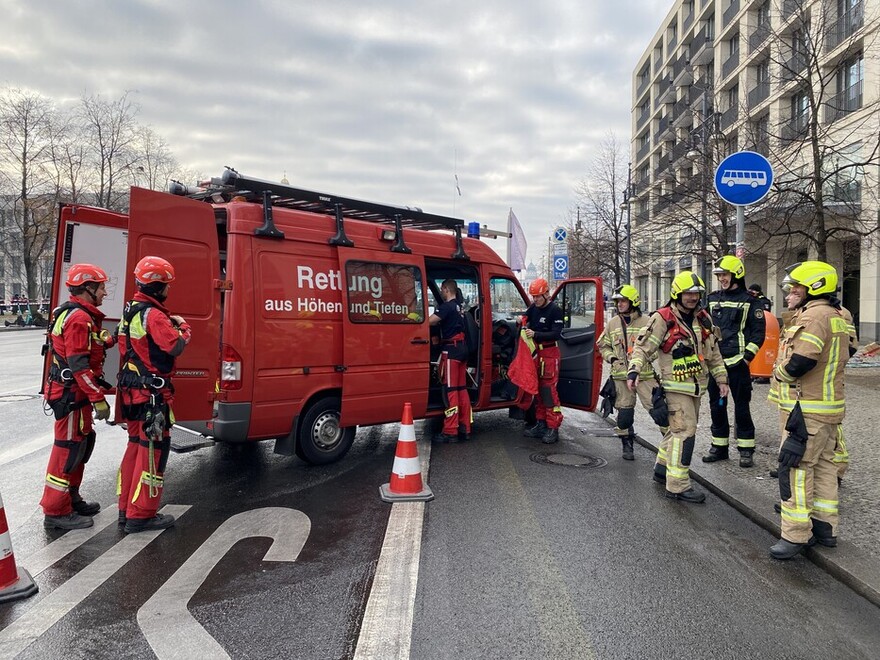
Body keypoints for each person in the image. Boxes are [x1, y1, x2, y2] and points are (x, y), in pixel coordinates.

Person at [768, 261, 857, 559]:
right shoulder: (837, 316)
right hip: (830, 408)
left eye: (797, 288)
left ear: (814, 287)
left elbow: (801, 362)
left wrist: (780, 372)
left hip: (808, 410)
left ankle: (795, 535)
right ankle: (824, 528)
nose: (793, 292)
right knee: (825, 468)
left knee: (795, 469)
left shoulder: (815, 317)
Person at [627, 271, 728, 503]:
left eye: (696, 294)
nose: (693, 298)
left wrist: (722, 379)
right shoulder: (662, 318)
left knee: (674, 432)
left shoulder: (703, 319)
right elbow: (643, 349)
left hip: (696, 388)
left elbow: (714, 354)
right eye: (688, 294)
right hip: (675, 388)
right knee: (685, 433)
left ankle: (662, 469)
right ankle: (678, 486)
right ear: (677, 294)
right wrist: (634, 371)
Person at [116, 256, 191, 533]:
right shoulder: (155, 315)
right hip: (151, 395)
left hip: (132, 392)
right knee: (153, 453)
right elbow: (174, 346)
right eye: (166, 285)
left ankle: (126, 509)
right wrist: (183, 328)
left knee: (136, 448)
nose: (169, 290)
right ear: (158, 286)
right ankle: (142, 514)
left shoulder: (131, 311)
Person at [41, 263, 114, 530]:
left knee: (81, 445)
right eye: (101, 286)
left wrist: (108, 340)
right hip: (72, 396)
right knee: (67, 449)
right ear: (87, 288)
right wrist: (98, 399)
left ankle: (70, 498)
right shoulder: (78, 319)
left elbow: (87, 347)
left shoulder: (79, 315)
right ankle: (56, 511)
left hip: (75, 395)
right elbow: (78, 366)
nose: (105, 291)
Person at [702, 256, 766, 467]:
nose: (722, 279)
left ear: (736, 274)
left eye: (725, 274)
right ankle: (719, 447)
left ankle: (746, 450)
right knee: (717, 405)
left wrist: (746, 359)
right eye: (719, 275)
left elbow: (758, 334)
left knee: (742, 408)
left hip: (738, 364)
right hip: (716, 366)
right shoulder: (711, 299)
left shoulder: (751, 301)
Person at [597, 284, 657, 460]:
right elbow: (603, 345)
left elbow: (655, 346)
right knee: (624, 416)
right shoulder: (613, 323)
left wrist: (646, 359)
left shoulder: (648, 322)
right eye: (617, 301)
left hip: (644, 376)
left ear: (633, 302)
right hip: (621, 377)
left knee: (659, 411)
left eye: (623, 301)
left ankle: (669, 447)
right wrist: (613, 359)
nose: (619, 304)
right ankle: (627, 444)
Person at [428, 278, 472, 443]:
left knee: (451, 390)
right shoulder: (460, 307)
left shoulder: (446, 307)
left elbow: (430, 321)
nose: (441, 292)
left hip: (451, 351)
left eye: (442, 289)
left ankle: (450, 430)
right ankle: (465, 427)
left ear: (446, 289)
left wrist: (415, 320)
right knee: (462, 389)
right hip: (462, 349)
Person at [522, 277, 564, 444]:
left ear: (546, 294)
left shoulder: (555, 310)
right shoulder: (534, 308)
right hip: (538, 354)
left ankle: (553, 427)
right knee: (538, 391)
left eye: (538, 296)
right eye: (533, 297)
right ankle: (541, 424)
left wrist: (536, 334)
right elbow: (526, 315)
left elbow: (556, 333)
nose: (535, 300)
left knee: (549, 392)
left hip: (549, 353)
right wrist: (522, 321)